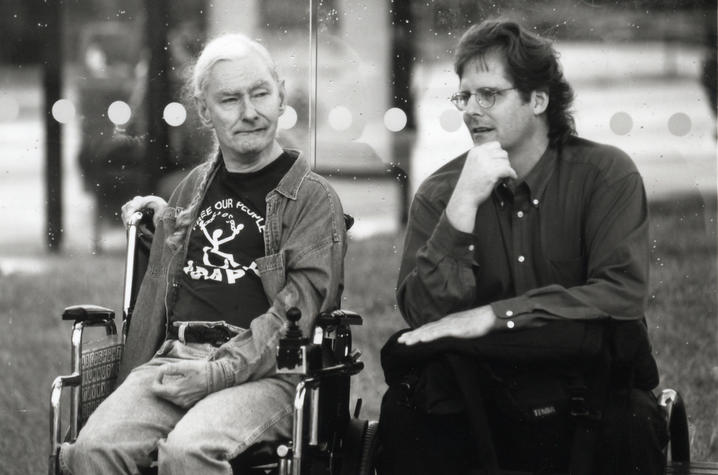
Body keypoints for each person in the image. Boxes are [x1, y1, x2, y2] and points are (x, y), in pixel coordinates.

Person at [377, 19, 666, 474]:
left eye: (489, 94)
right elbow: (423, 317)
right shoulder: (443, 192)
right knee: (406, 412)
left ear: (538, 99)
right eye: (465, 95)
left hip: (583, 383)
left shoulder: (606, 175)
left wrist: (495, 315)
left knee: (633, 421)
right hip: (478, 388)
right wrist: (463, 208)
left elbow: (621, 293)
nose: (471, 109)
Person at [59, 33, 347, 475]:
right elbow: (192, 265)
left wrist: (217, 373)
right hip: (176, 359)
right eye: (229, 99)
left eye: (260, 94)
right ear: (203, 111)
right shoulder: (192, 187)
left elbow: (296, 315)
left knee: (188, 452)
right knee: (91, 451)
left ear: (281, 95)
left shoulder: (311, 199)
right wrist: (161, 224)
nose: (250, 112)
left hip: (267, 373)